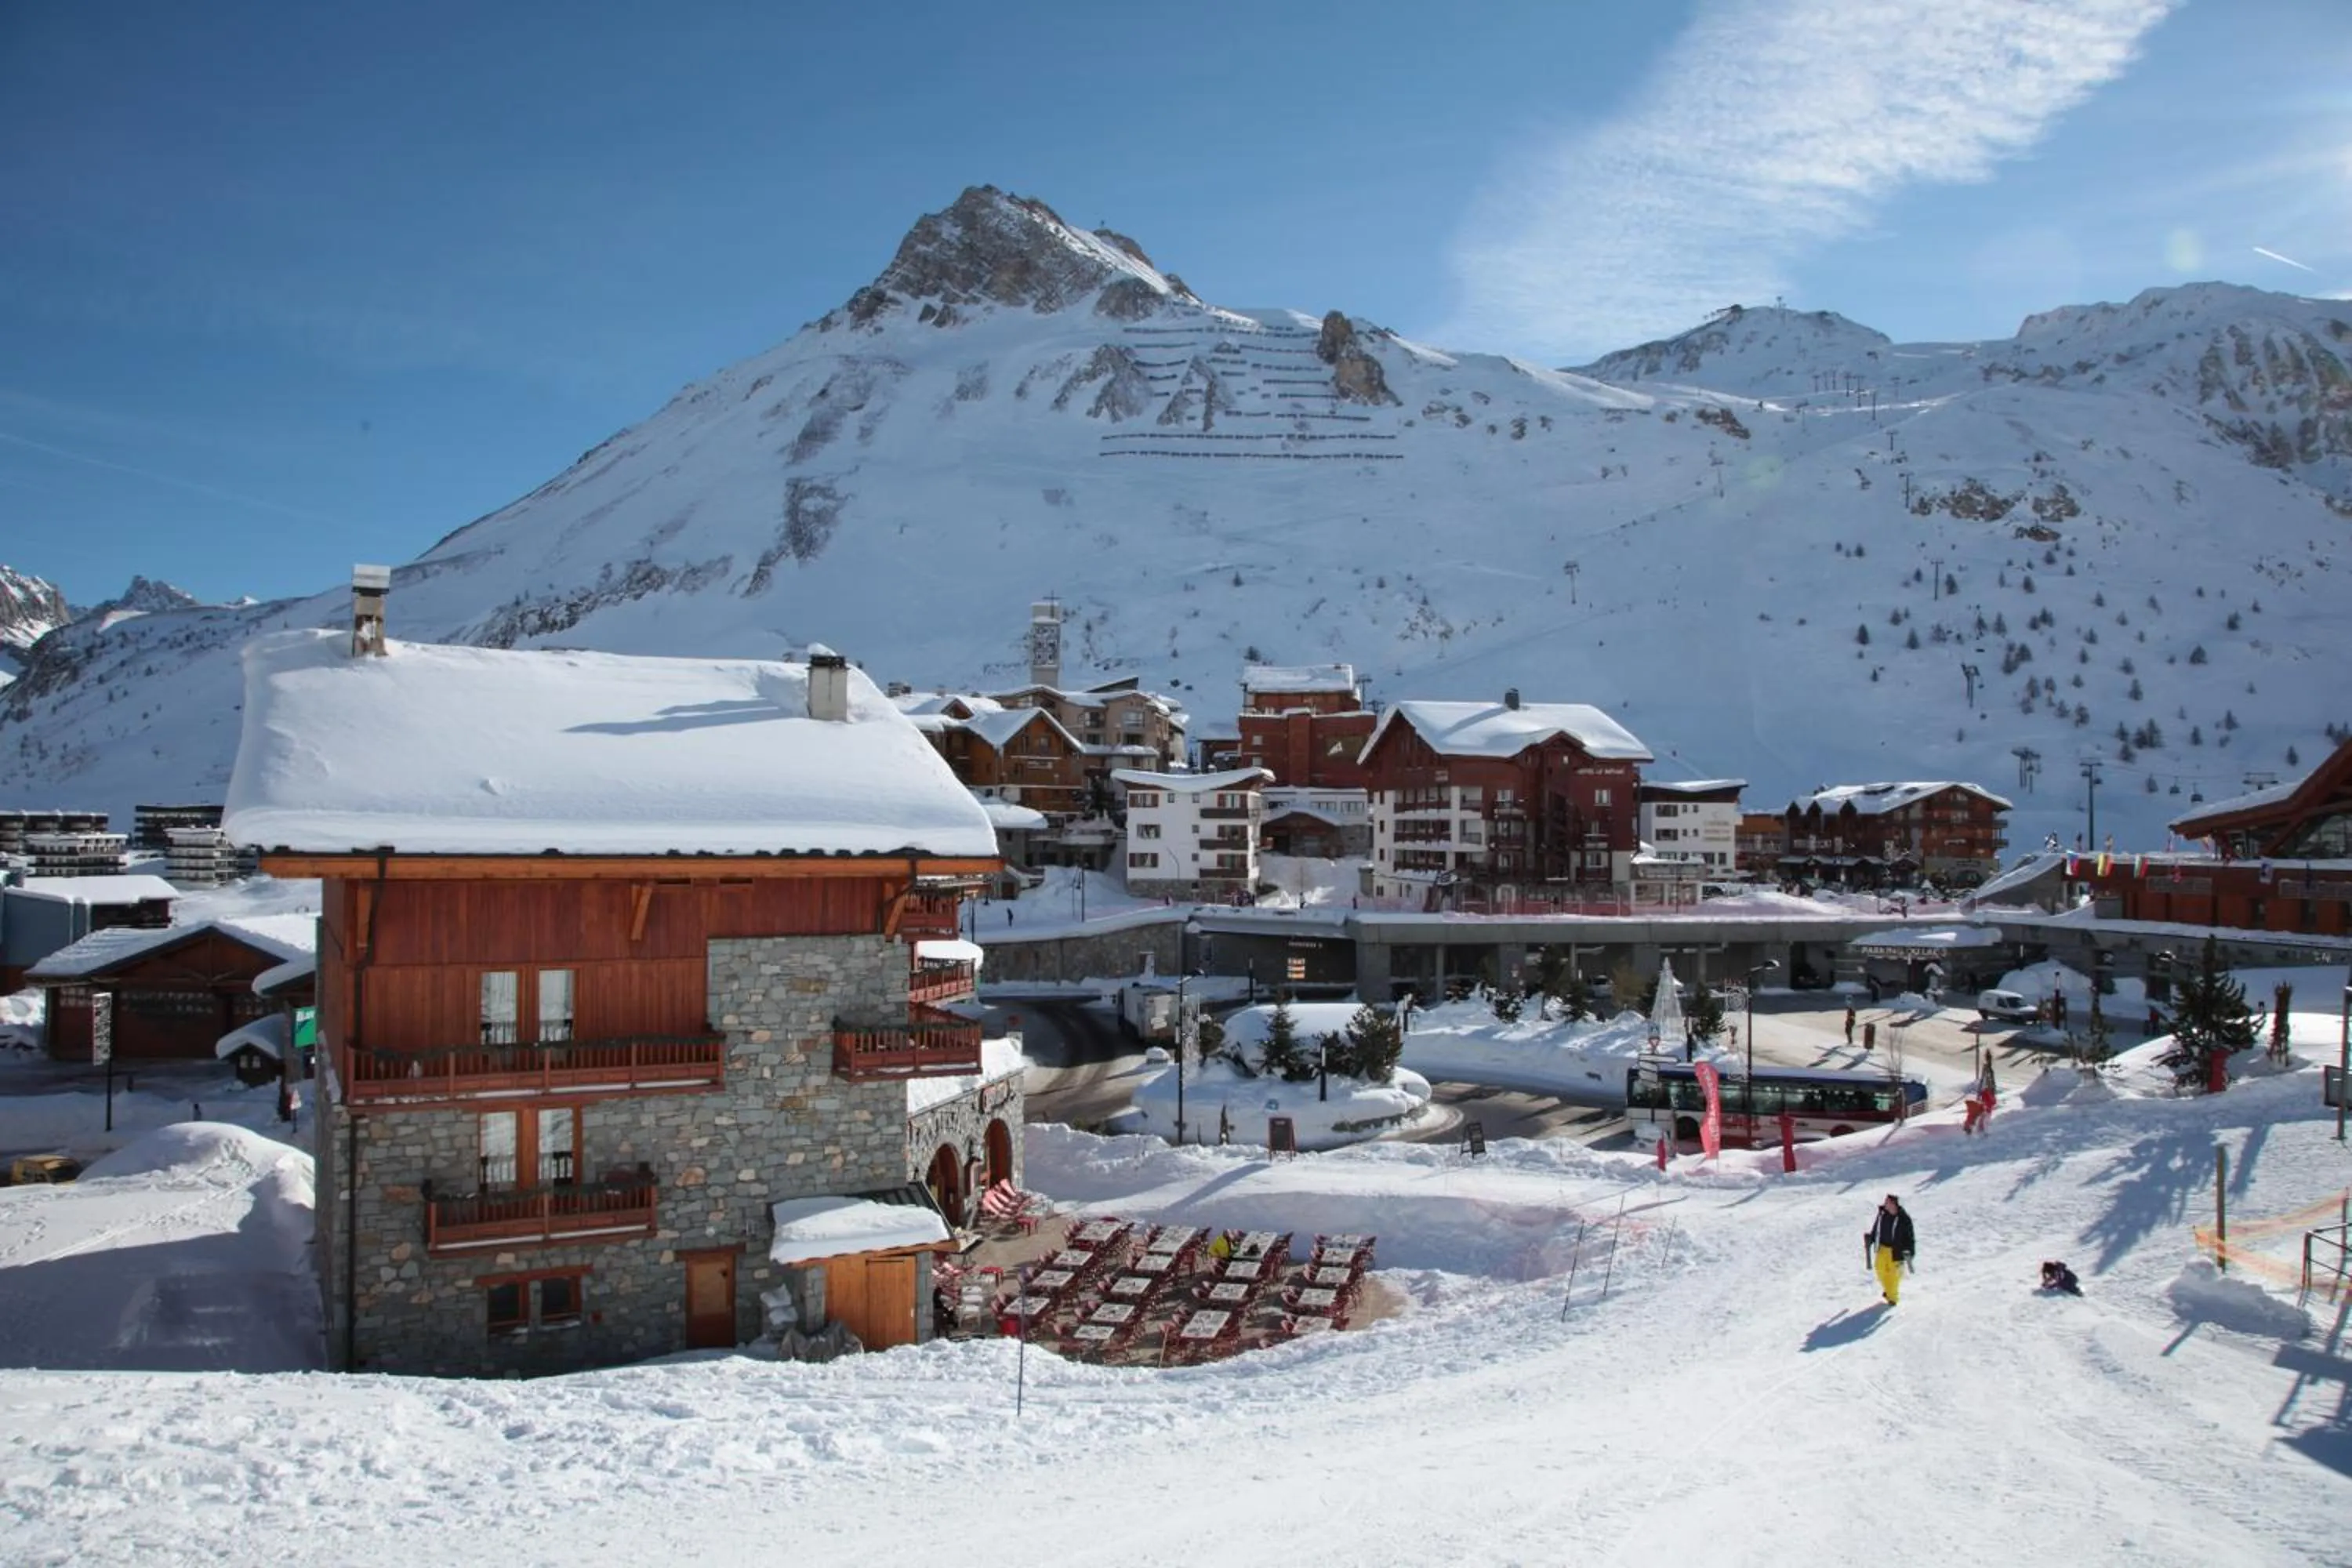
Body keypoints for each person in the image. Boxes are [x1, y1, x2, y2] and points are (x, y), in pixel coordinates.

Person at [1865, 1194, 1915, 1306]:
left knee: (1894, 1276)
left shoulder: (1904, 1219)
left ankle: (1893, 1298)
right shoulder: (1882, 1214)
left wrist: (1910, 1252)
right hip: (1882, 1248)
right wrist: (1871, 1239)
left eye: (1888, 1202)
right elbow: (1876, 1228)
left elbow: (1910, 1237)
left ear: (1894, 1204)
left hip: (1897, 1250)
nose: (1885, 1204)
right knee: (1880, 1269)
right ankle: (1888, 1290)